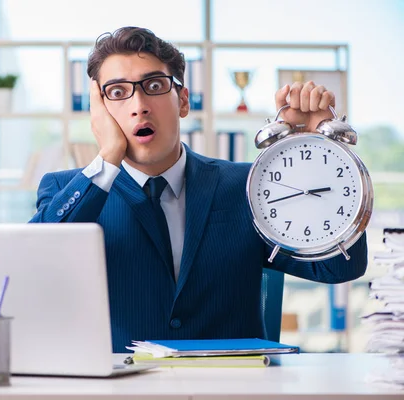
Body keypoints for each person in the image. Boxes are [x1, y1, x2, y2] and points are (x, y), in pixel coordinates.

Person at [29, 26, 368, 353]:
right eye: (117, 93)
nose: (139, 105)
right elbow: (36, 267)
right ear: (98, 112)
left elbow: (339, 268)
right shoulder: (66, 190)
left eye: (154, 85)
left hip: (230, 390)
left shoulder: (249, 188)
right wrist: (107, 158)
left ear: (183, 101)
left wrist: (323, 148)